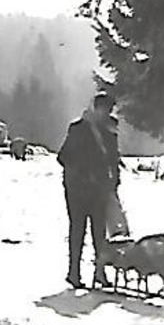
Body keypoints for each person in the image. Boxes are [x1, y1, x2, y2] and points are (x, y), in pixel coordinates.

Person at [58, 91, 122, 288]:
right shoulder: (78, 129)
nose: (107, 113)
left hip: (99, 189)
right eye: (105, 109)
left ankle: (99, 272)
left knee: (99, 232)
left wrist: (115, 182)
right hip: (78, 188)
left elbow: (113, 160)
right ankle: (74, 272)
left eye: (110, 110)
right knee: (78, 230)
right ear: (96, 108)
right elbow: (64, 156)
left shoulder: (110, 132)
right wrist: (84, 173)